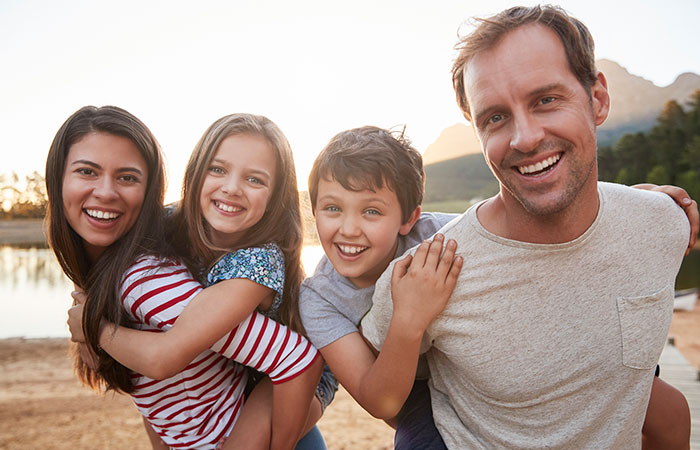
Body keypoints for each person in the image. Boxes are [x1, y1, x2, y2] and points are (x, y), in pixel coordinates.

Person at [361, 5, 698, 449]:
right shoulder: (428, 274)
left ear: (597, 98)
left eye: (545, 100)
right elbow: (386, 396)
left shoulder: (665, 223)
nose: (525, 138)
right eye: (495, 117)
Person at [299, 125, 697, 449]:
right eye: (332, 208)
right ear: (312, 208)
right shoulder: (319, 299)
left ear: (409, 218)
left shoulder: (442, 237)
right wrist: (409, 318)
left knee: (671, 412)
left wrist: (640, 199)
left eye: (371, 211)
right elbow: (381, 401)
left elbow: (531, 215)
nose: (348, 228)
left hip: (488, 362)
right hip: (416, 392)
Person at [51, 107, 321, 450]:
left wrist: (94, 328)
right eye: (87, 171)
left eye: (127, 177)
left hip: (281, 404)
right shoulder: (163, 236)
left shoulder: (154, 278)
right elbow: (152, 395)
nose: (106, 192)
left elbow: (295, 359)